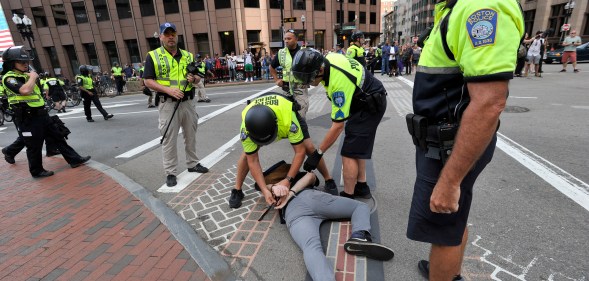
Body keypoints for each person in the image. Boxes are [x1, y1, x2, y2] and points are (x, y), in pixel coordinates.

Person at [405, 1, 524, 280]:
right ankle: (450, 272)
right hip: (444, 141)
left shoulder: (480, 7)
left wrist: (450, 181)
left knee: (442, 227)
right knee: (452, 220)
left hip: (449, 146)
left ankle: (444, 272)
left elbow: (490, 103)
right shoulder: (456, 7)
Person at [261, 164, 394, 281]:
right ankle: (359, 235)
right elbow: (311, 177)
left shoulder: (268, 189)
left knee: (311, 247)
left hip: (293, 213)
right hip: (312, 198)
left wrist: (276, 188)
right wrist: (285, 189)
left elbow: (266, 188)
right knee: (360, 207)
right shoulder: (296, 176)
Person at [291, 48, 388, 199]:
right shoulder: (330, 58)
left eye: (310, 78)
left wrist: (318, 154)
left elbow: (337, 126)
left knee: (348, 152)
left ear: (320, 70)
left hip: (369, 106)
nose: (309, 84)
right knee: (357, 146)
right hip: (365, 98)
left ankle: (348, 196)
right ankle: (362, 186)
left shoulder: (338, 85)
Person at [228, 92, 337, 208]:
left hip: (284, 114)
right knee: (247, 155)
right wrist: (265, 190)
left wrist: (288, 180)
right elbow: (253, 161)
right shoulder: (246, 130)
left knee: (308, 147)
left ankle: (328, 179)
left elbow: (299, 152)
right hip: (262, 118)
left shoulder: (289, 121)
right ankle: (237, 189)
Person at [1, 46, 91, 177]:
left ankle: (74, 159)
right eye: (22, 62)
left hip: (41, 114)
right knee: (34, 145)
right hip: (27, 117)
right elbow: (24, 91)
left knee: (58, 137)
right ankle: (36, 171)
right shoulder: (9, 78)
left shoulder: (25, 75)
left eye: (27, 62)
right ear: (11, 63)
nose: (26, 64)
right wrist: (32, 77)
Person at [143, 22, 209, 187]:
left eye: (173, 33)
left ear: (177, 35)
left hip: (188, 102)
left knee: (191, 135)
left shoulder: (187, 55)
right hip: (168, 103)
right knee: (169, 139)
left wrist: (194, 79)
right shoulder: (153, 55)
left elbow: (198, 76)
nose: (170, 36)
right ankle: (171, 172)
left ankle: (192, 163)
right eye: (167, 34)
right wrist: (168, 90)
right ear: (161, 37)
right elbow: (147, 81)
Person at [270, 30, 310, 119]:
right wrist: (276, 80)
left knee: (301, 114)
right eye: (285, 39)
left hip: (300, 87)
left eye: (289, 38)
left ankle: (300, 131)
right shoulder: (281, 53)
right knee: (287, 114)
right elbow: (271, 67)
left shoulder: (304, 52)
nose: (286, 41)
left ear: (296, 39)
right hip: (286, 87)